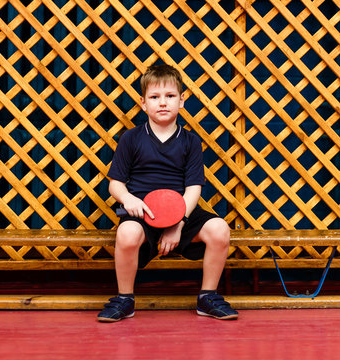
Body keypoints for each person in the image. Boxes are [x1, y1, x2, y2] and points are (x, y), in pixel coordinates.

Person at [97, 64, 238, 322]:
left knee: (220, 228)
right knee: (126, 232)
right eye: (154, 97)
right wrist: (129, 199)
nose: (163, 103)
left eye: (170, 96)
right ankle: (124, 299)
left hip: (181, 211)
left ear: (181, 101)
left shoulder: (191, 141)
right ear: (143, 103)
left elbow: (194, 187)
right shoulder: (131, 138)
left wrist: (178, 223)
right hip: (144, 212)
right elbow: (115, 185)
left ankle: (208, 297)